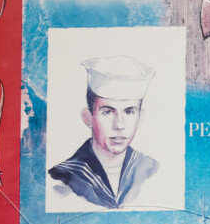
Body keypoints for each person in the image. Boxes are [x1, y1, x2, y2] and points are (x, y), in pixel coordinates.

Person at [48, 56, 162, 209]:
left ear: (140, 118)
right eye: (107, 112)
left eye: (129, 112)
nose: (119, 125)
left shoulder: (150, 170)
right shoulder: (63, 179)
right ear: (88, 117)